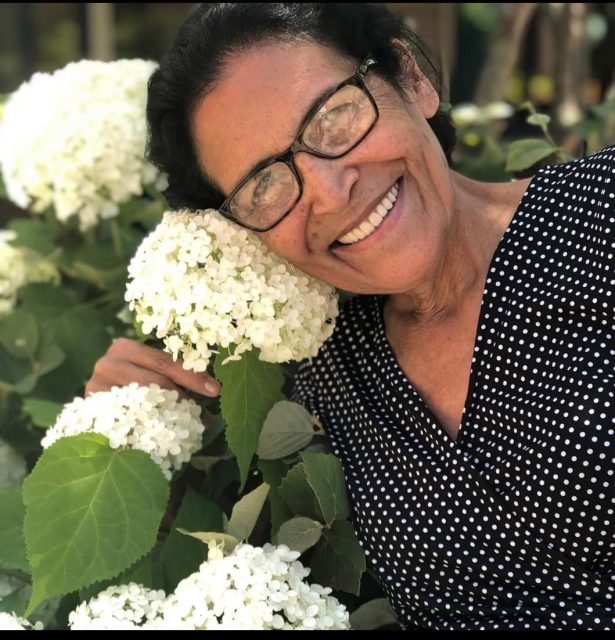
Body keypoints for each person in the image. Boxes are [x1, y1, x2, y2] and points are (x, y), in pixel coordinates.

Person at [86, 3, 615, 630]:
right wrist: (143, 423)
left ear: (411, 78)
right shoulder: (321, 374)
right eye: (263, 185)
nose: (331, 194)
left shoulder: (600, 213)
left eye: (334, 117)